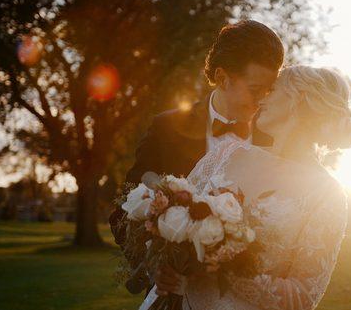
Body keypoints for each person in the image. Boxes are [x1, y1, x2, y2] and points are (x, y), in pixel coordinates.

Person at [109, 19, 285, 296]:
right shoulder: (166, 129)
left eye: (269, 90)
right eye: (255, 89)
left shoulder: (276, 141)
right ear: (224, 78)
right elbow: (123, 211)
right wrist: (152, 265)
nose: (262, 100)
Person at [177, 65, 351, 310]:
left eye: (273, 89)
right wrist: (166, 265)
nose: (262, 97)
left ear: (298, 100)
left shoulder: (327, 194)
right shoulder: (225, 153)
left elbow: (303, 296)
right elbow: (176, 213)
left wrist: (228, 269)